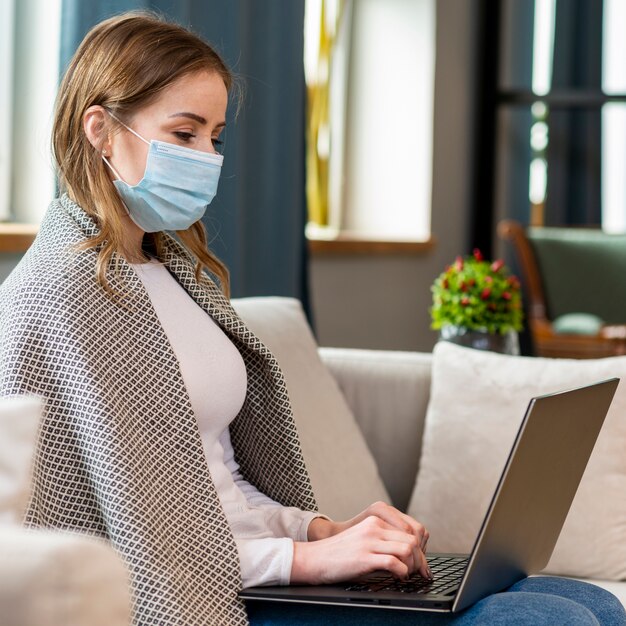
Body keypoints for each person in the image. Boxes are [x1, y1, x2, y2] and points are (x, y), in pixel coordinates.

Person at [0, 11, 623, 626]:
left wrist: (323, 530)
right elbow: (150, 552)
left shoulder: (166, 269)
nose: (207, 157)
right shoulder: (65, 295)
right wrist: (307, 560)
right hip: (213, 599)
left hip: (260, 568)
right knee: (545, 617)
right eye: (184, 134)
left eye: (215, 137)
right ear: (101, 130)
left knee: (587, 601)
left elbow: (224, 486)